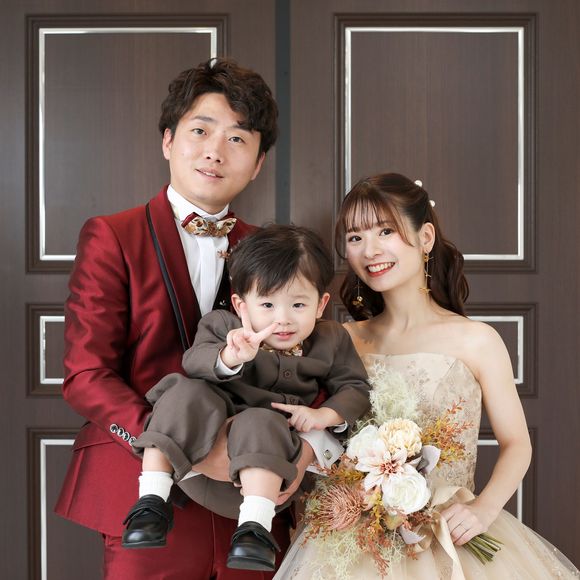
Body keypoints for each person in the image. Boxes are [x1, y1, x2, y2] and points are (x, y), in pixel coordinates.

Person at [55, 57, 326, 579]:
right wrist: (182, 447)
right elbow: (85, 376)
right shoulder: (113, 236)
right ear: (168, 140)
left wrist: (305, 455)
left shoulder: (275, 251)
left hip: (253, 501)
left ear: (258, 163)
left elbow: (316, 365)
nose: (214, 151)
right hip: (145, 492)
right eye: (200, 130)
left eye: (237, 138)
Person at [275, 173, 580, 579]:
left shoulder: (477, 340)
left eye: (386, 231)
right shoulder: (340, 340)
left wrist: (484, 509)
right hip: (352, 544)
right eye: (355, 237)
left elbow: (517, 444)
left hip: (447, 537)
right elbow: (315, 435)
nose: (370, 250)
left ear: (426, 238)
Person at [121, 224, 371, 571]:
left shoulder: (332, 338)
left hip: (272, 478)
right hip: (201, 471)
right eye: (267, 304)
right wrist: (231, 356)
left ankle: (254, 532)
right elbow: (194, 361)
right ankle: (150, 502)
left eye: (298, 304)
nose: (283, 319)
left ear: (320, 304)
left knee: (261, 420)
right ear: (241, 305)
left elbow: (356, 388)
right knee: (185, 390)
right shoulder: (224, 326)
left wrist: (323, 416)